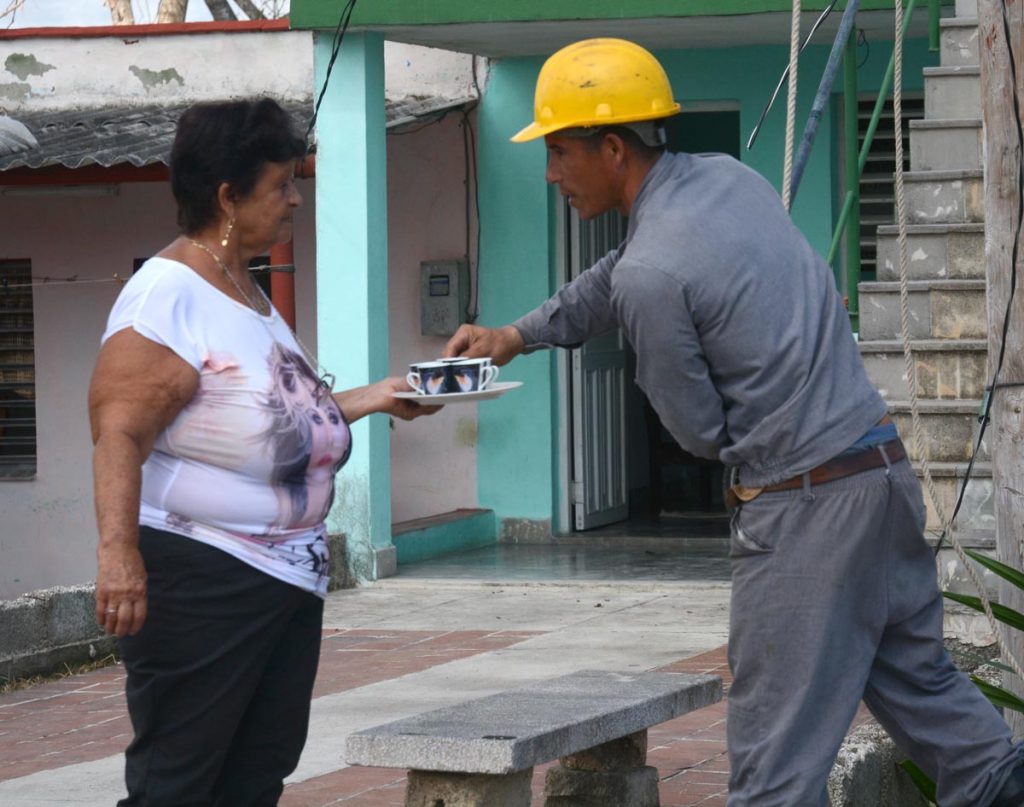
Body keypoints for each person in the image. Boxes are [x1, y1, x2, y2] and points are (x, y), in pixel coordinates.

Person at [444, 38, 1024, 807]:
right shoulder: (730, 181)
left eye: (557, 152)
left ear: (612, 148)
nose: (551, 174)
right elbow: (612, 279)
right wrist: (518, 333)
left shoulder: (654, 270)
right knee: (934, 704)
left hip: (803, 510)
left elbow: (698, 430)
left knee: (771, 777)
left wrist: (747, 450)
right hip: (881, 477)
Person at [89, 97, 438, 807]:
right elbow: (119, 430)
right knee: (178, 783)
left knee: (254, 776)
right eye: (281, 184)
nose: (295, 198)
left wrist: (373, 396)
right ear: (227, 196)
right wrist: (117, 553)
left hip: (282, 583)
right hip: (203, 582)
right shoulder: (167, 297)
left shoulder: (247, 293)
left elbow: (277, 418)